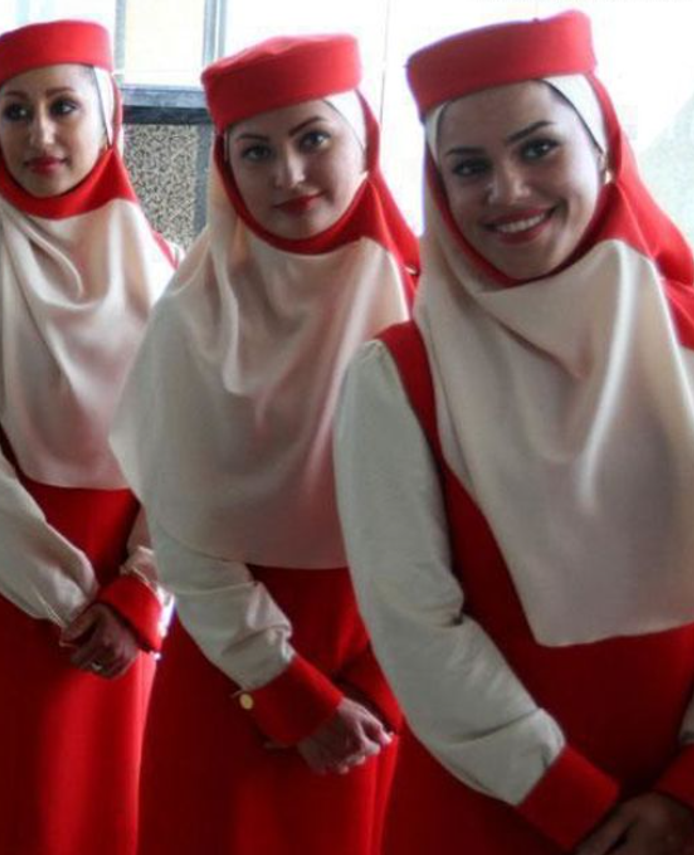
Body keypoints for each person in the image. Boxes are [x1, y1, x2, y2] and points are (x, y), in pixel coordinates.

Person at [334, 10, 694, 855]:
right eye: (469, 166)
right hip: (491, 803)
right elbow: (415, 625)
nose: (507, 190)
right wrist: (573, 801)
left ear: (602, 148)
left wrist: (684, 792)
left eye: (538, 148)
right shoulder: (398, 376)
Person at [109, 33, 416, 855]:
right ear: (227, 168)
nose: (289, 174)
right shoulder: (193, 317)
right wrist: (285, 689)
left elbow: (471, 519)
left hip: (400, 663)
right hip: (231, 668)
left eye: (313, 138)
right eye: (256, 151)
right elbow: (182, 531)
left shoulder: (428, 301)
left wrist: (383, 686)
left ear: (363, 137)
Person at [0, 20, 176, 855]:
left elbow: (188, 457)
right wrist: (73, 604)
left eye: (64, 106)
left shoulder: (169, 266)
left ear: (108, 114)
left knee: (104, 815)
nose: (40, 134)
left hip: (126, 601)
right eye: (16, 112)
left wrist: (140, 594)